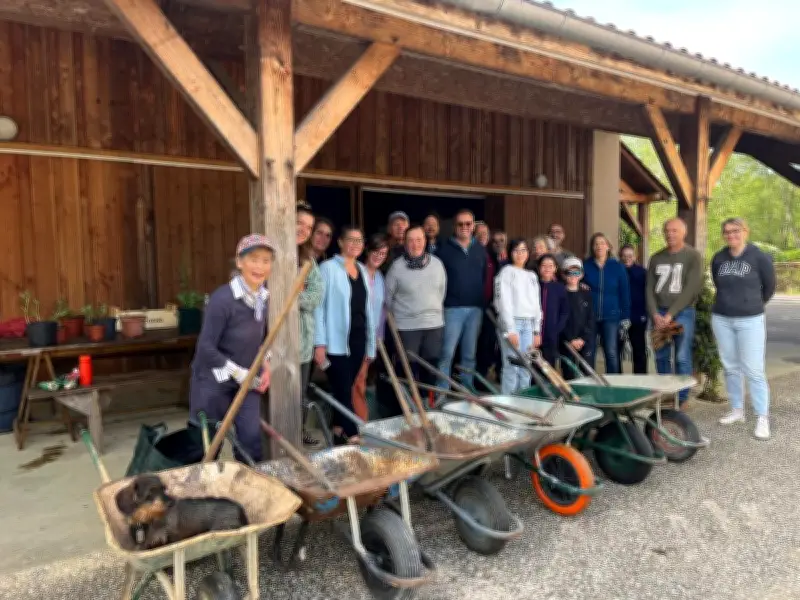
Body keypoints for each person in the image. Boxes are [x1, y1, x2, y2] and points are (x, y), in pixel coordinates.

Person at [189, 234, 273, 462]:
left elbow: (262, 340)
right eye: (254, 259)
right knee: (207, 445)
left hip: (246, 382)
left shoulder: (263, 298)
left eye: (266, 260)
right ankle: (203, 492)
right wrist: (239, 373)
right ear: (239, 262)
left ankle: (248, 489)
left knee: (251, 439)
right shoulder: (222, 299)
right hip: (214, 380)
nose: (260, 266)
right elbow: (205, 347)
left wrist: (266, 365)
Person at [710, 217, 776, 440]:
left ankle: (762, 417)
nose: (731, 235)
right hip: (722, 318)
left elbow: (769, 287)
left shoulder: (759, 256)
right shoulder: (719, 258)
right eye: (727, 232)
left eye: (735, 231)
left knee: (754, 369)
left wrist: (752, 305)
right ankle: (737, 410)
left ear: (745, 231)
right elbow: (718, 283)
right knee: (730, 367)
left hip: (750, 320)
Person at [314, 226, 376, 444]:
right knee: (342, 387)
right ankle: (353, 434)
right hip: (336, 342)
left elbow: (368, 309)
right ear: (340, 242)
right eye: (350, 240)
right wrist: (319, 343)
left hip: (358, 340)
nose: (355, 244)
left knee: (347, 386)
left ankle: (339, 431)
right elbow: (318, 308)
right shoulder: (327, 268)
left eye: (359, 241)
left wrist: (370, 347)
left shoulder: (361, 269)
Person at [384, 225, 447, 412]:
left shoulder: (437, 264)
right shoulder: (396, 268)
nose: (415, 244)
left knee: (431, 367)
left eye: (419, 239)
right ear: (404, 243)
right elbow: (388, 298)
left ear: (425, 241)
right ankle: (408, 407)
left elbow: (441, 292)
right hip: (407, 327)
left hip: (433, 324)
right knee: (407, 369)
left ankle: (428, 405)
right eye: (410, 240)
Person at [646, 218, 703, 408]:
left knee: (681, 356)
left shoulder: (693, 256)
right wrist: (655, 314)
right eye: (667, 230)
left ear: (683, 233)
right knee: (661, 356)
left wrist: (670, 314)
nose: (670, 234)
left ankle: (683, 396)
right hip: (659, 313)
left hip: (682, 313)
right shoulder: (656, 258)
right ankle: (667, 394)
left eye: (674, 231)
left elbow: (691, 289)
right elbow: (649, 289)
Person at [435, 209, 487, 390]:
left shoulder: (481, 250)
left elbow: (485, 278)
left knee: (469, 355)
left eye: (468, 224)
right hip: (452, 309)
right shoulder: (444, 250)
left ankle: (466, 390)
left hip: (475, 310)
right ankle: (441, 391)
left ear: (473, 226)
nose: (464, 227)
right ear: (454, 226)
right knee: (446, 353)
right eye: (460, 224)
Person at [494, 239, 542, 393]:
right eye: (516, 250)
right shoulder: (506, 272)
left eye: (523, 250)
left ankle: (523, 401)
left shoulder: (532, 275)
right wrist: (510, 330)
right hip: (512, 322)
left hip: (528, 324)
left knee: (526, 367)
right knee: (512, 367)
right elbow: (503, 303)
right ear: (510, 252)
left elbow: (537, 305)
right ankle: (508, 406)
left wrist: (536, 330)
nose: (520, 253)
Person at [295, 203, 325, 447]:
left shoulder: (308, 260)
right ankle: (283, 435)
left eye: (309, 227)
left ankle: (300, 430)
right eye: (299, 223)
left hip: (304, 341)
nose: (304, 230)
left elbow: (316, 295)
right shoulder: (274, 253)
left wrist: (295, 296)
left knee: (301, 392)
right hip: (278, 340)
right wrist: (297, 290)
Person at [352, 234, 388, 422]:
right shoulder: (358, 271)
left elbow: (381, 312)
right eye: (376, 251)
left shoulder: (380, 277)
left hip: (374, 337)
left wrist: (378, 338)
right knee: (358, 380)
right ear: (367, 250)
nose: (379, 256)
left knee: (363, 379)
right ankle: (361, 422)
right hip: (358, 335)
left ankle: (357, 419)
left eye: (383, 253)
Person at [583, 233, 630, 374]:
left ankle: (613, 386)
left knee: (611, 352)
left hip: (611, 316)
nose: (599, 246)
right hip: (590, 316)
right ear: (592, 247)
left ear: (608, 246)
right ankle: (589, 384)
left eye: (602, 243)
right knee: (589, 352)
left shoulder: (617, 267)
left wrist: (625, 317)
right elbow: (577, 284)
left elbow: (625, 292)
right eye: (596, 243)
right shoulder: (585, 266)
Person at [560, 257, 595, 380]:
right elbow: (560, 320)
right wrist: (569, 339)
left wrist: (583, 338)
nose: (573, 276)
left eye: (576, 273)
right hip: (566, 341)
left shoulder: (586, 294)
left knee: (586, 372)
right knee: (568, 372)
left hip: (584, 340)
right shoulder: (560, 294)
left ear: (581, 274)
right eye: (569, 273)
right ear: (563, 275)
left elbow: (590, 318)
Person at [620, 244, 649, 374]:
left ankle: (641, 380)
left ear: (635, 256)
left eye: (630, 256)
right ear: (620, 257)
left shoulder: (642, 272)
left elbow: (648, 294)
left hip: (638, 316)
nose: (627, 258)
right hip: (619, 317)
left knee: (639, 351)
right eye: (624, 256)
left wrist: (646, 314)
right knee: (616, 351)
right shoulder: (617, 271)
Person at [537, 254, 569, 367]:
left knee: (549, 367)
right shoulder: (533, 285)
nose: (547, 268)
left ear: (555, 268)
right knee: (533, 368)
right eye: (544, 265)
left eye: (550, 266)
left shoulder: (560, 288)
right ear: (539, 267)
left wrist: (557, 329)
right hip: (534, 334)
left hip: (551, 335)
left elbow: (564, 311)